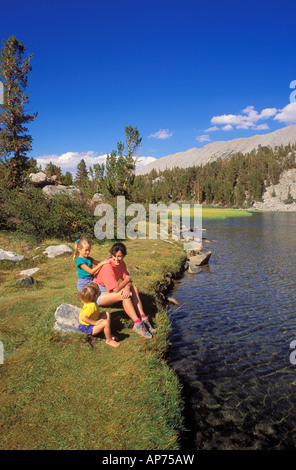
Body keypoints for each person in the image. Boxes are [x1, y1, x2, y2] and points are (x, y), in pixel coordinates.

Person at [93, 242, 156, 339]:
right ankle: (137, 324)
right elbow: (117, 288)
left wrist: (127, 286)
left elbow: (129, 279)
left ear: (124, 256)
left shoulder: (122, 264)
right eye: (114, 256)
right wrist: (126, 281)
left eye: (119, 256)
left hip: (110, 291)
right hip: (99, 294)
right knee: (123, 295)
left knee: (133, 288)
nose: (116, 259)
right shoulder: (107, 267)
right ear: (111, 254)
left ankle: (143, 317)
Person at [78, 283, 120, 348]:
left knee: (106, 314)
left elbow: (92, 313)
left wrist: (98, 315)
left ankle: (106, 333)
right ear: (96, 296)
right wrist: (95, 323)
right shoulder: (91, 306)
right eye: (98, 290)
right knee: (105, 323)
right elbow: (83, 318)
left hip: (91, 323)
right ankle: (108, 340)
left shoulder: (90, 302)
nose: (100, 290)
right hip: (88, 328)